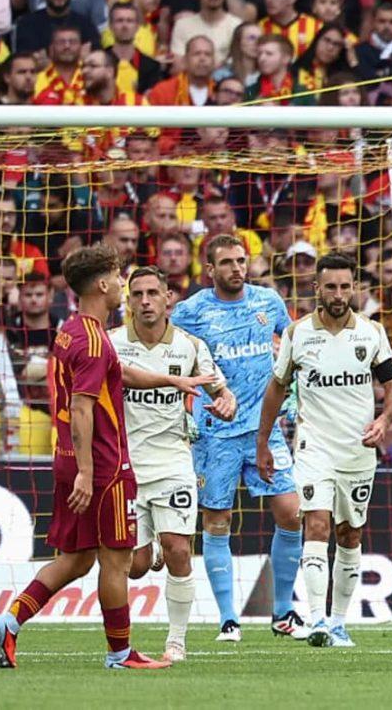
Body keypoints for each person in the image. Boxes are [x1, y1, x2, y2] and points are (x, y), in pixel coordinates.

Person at [0, 244, 210, 670]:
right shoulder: (93, 340)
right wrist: (89, 474)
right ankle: (120, 653)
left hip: (71, 459)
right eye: (119, 275)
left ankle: (9, 619)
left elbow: (119, 373)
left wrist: (169, 380)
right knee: (117, 559)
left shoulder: (74, 330)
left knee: (77, 558)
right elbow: (85, 408)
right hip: (104, 466)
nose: (123, 283)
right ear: (104, 283)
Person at [256, 253, 392, 648]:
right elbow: (276, 388)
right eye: (330, 286)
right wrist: (263, 441)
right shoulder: (297, 333)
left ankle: (338, 622)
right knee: (316, 524)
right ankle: (317, 620)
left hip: (357, 450)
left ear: (353, 288)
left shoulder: (371, 333)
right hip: (313, 447)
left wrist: (384, 421)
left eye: (344, 286)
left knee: (350, 533)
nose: (338, 294)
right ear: (315, 288)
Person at [170, 235, 309, 642]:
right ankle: (228, 619)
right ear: (209, 270)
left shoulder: (268, 302)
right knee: (218, 519)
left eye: (241, 261)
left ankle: (283, 612)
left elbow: (291, 346)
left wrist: (294, 393)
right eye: (226, 262)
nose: (236, 268)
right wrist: (184, 408)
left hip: (264, 429)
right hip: (215, 433)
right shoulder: (190, 312)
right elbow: (173, 358)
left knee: (291, 511)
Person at [111, 266, 237, 663]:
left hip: (173, 462)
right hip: (125, 466)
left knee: (179, 549)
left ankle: (176, 641)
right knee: (134, 567)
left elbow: (220, 389)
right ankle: (152, 549)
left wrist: (227, 402)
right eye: (137, 294)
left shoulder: (190, 346)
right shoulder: (113, 344)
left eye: (152, 293)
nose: (145, 301)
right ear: (127, 301)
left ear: (168, 299)